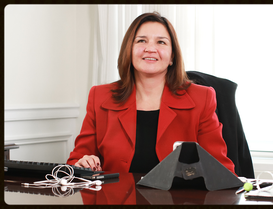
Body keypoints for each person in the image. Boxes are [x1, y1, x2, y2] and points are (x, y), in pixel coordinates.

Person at [67, 12, 236, 175]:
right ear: (129, 51)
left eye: (161, 42)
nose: (150, 49)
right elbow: (75, 162)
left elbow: (221, 171)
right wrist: (83, 163)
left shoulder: (201, 98)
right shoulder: (101, 96)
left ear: (172, 57)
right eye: (141, 41)